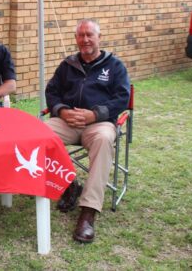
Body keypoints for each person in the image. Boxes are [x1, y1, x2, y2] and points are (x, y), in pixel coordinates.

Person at [45, 19, 130, 243]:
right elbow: (52, 92)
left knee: (103, 140)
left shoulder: (115, 66)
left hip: (99, 123)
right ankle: (69, 183)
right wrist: (62, 111)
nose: (85, 40)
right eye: (80, 35)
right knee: (39, 135)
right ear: (76, 39)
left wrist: (96, 114)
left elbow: (122, 98)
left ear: (99, 37)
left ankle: (88, 211)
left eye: (89, 35)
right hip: (68, 121)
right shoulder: (67, 65)